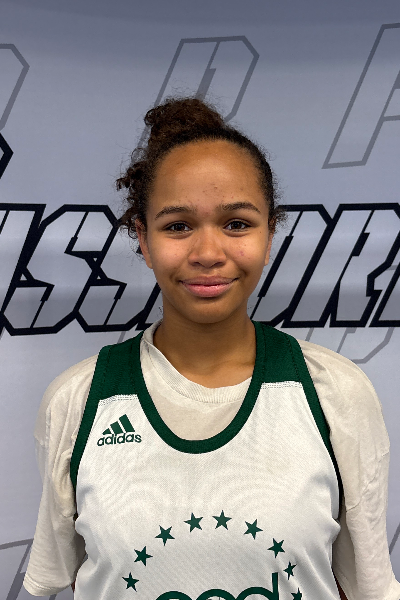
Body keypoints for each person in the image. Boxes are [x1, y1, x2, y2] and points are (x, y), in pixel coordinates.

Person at [23, 97, 400, 600]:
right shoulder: (79, 400)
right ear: (143, 238)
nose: (207, 253)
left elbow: (365, 587)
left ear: (270, 234)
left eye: (237, 223)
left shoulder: (336, 393)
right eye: (178, 226)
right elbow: (71, 577)